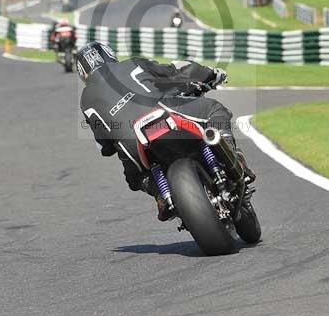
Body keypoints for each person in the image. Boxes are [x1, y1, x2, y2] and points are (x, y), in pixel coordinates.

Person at [75, 41, 255, 221]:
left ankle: (162, 196)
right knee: (215, 110)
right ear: (108, 54)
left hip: (130, 143)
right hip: (162, 112)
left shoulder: (86, 100)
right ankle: (232, 156)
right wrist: (210, 73)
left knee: (135, 178)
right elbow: (174, 72)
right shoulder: (131, 65)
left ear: (83, 71)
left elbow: (105, 147)